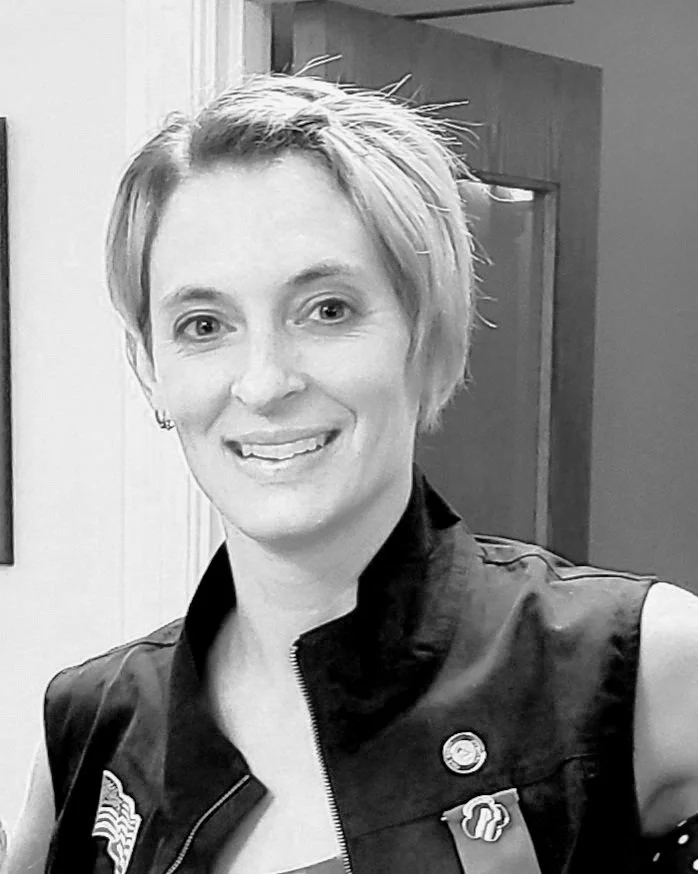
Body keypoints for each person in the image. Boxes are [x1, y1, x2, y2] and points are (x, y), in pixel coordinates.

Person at [5, 74, 698, 874]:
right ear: (149, 368)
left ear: (427, 332)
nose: (264, 382)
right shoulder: (93, 729)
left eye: (327, 309)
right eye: (204, 325)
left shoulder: (633, 666)